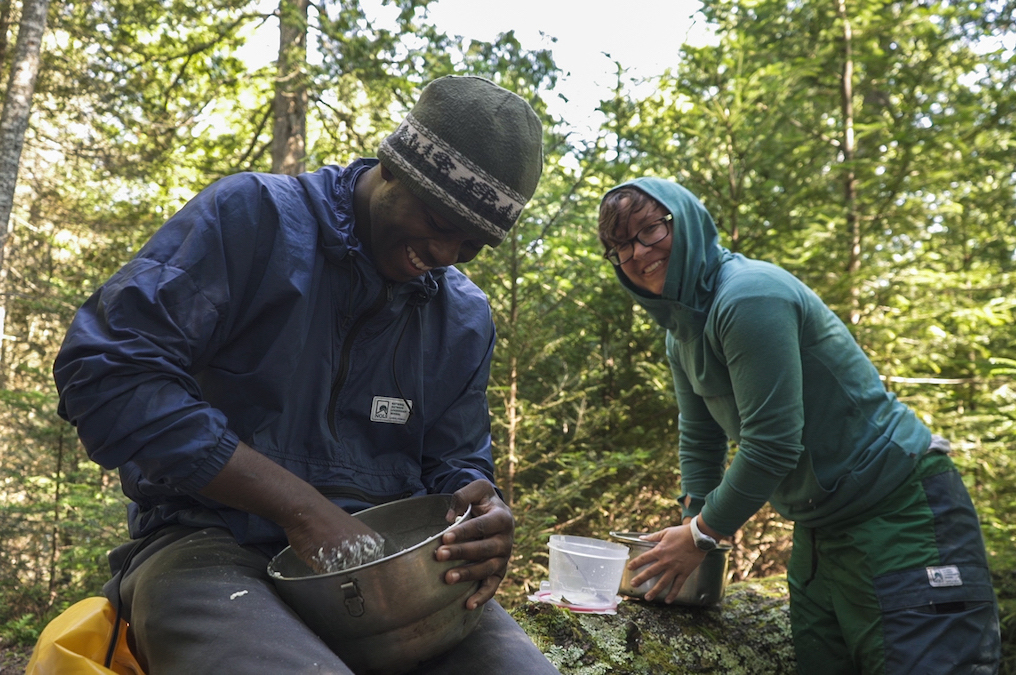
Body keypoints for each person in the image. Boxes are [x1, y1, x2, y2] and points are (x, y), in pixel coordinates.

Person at [53, 75, 559, 674]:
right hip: (208, 545)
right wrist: (301, 508)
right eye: (439, 220)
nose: (447, 254)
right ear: (394, 166)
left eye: (473, 244)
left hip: (396, 571)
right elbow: (107, 373)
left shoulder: (462, 318)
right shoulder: (255, 221)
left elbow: (455, 461)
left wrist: (481, 508)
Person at [597, 177, 1001, 674]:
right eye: (620, 248)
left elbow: (772, 444)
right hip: (819, 533)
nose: (638, 253)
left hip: (901, 513)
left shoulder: (748, 297)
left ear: (687, 220)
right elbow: (701, 439)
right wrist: (693, 519)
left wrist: (702, 535)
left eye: (650, 231)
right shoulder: (681, 333)